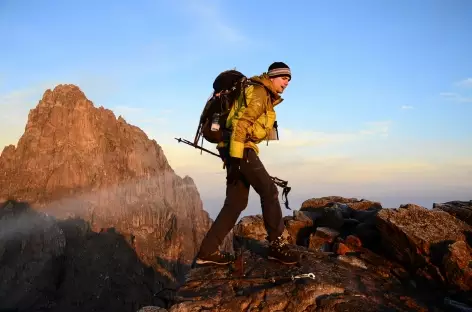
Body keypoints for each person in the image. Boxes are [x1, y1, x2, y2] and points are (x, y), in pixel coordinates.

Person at [195, 62, 299, 265]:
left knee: (235, 203)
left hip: (233, 148)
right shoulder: (260, 93)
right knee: (269, 191)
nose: (287, 82)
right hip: (240, 149)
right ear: (272, 76)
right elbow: (241, 125)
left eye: (289, 79)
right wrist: (235, 157)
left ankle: (207, 251)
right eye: (284, 78)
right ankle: (276, 245)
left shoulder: (260, 93)